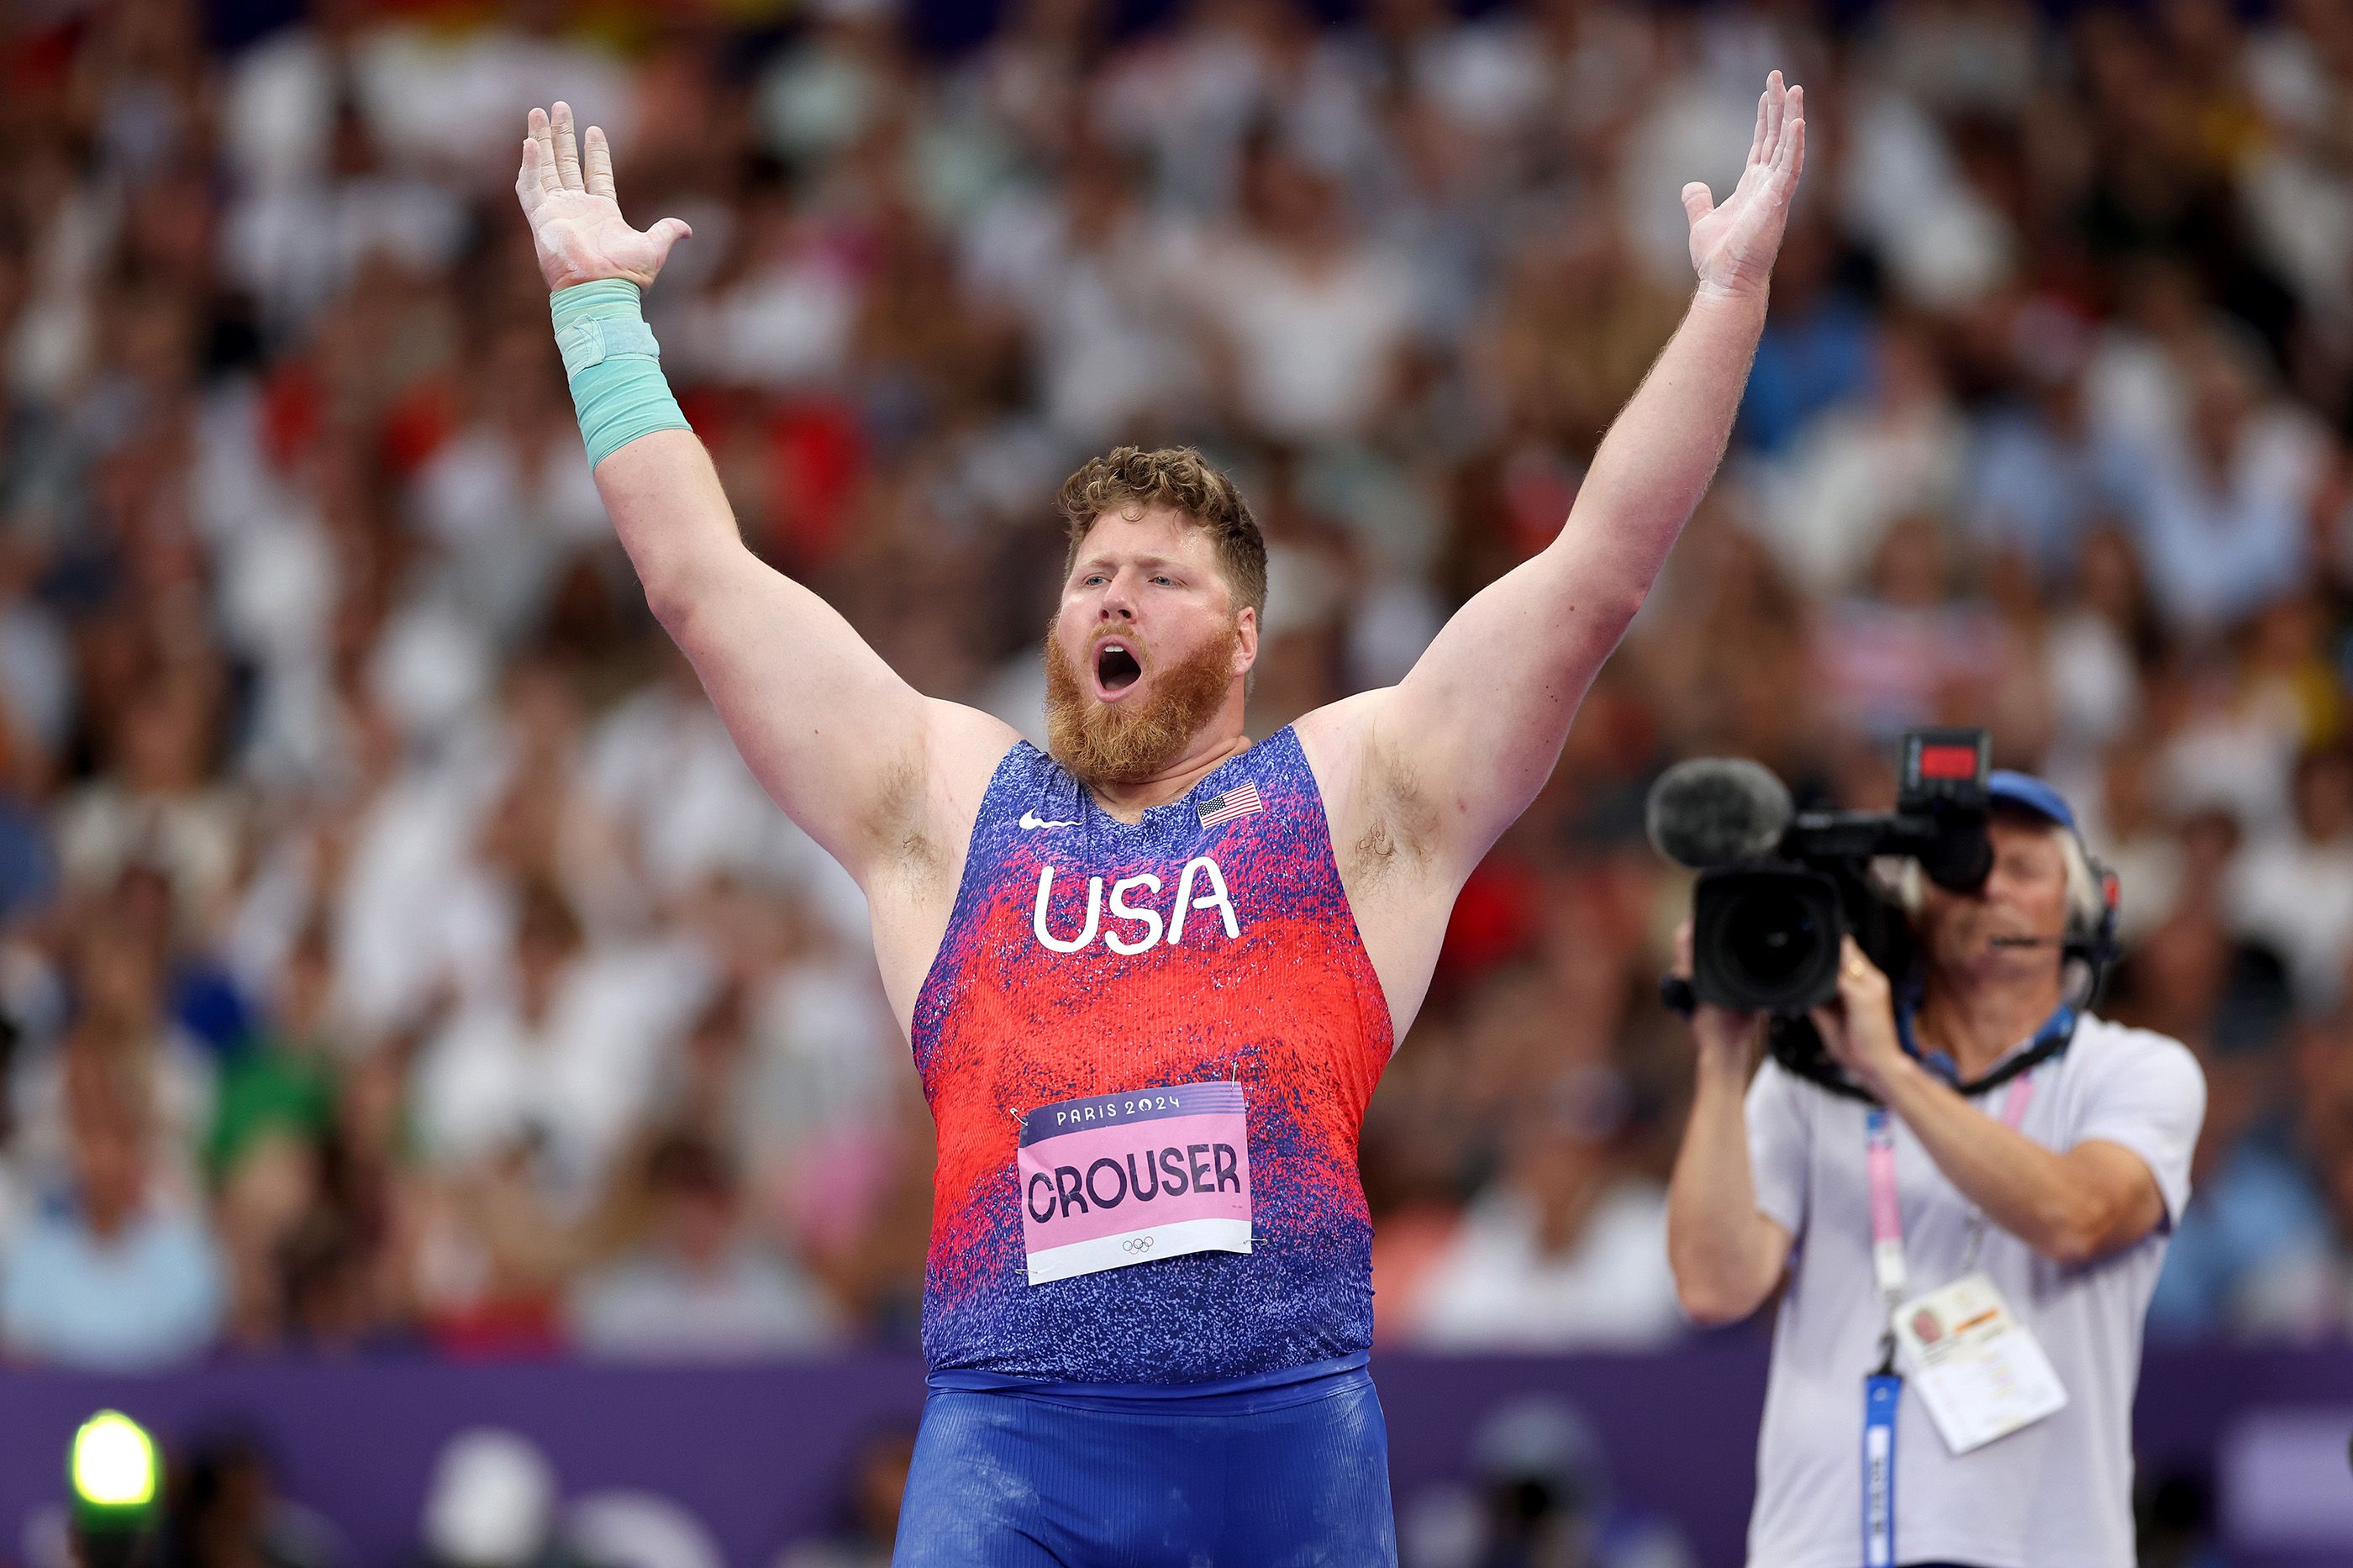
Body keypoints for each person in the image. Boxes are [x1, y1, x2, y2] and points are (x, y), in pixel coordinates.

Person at [511, 75, 1807, 1565]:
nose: (1112, 596)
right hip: (1013, 1450)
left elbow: (1597, 574)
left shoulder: (1352, 797)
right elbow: (702, 586)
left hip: (1281, 1443)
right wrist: (599, 316)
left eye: (1159, 577)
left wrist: (1727, 301)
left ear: (1246, 634)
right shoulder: (950, 805)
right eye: (1089, 579)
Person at [1666, 774, 2208, 1568]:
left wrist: (1890, 1071)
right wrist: (1722, 1055)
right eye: (1961, 868)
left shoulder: (2134, 1070)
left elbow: (2078, 1217)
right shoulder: (1816, 1076)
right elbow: (1714, 1288)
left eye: (2024, 868)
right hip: (1818, 1547)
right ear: (1914, 908)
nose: (1990, 886)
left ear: (2081, 908)